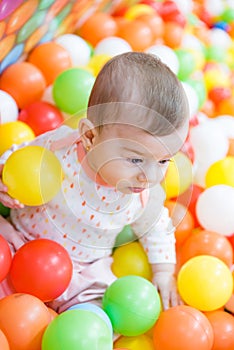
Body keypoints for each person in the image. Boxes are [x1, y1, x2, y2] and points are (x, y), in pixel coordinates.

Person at [0, 52, 189, 313]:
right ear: (89, 136)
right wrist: (4, 176)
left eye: (164, 161)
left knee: (100, 309)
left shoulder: (144, 194)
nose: (150, 177)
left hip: (82, 273)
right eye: (135, 160)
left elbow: (157, 227)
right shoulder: (59, 146)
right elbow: (22, 156)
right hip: (21, 242)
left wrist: (164, 271)